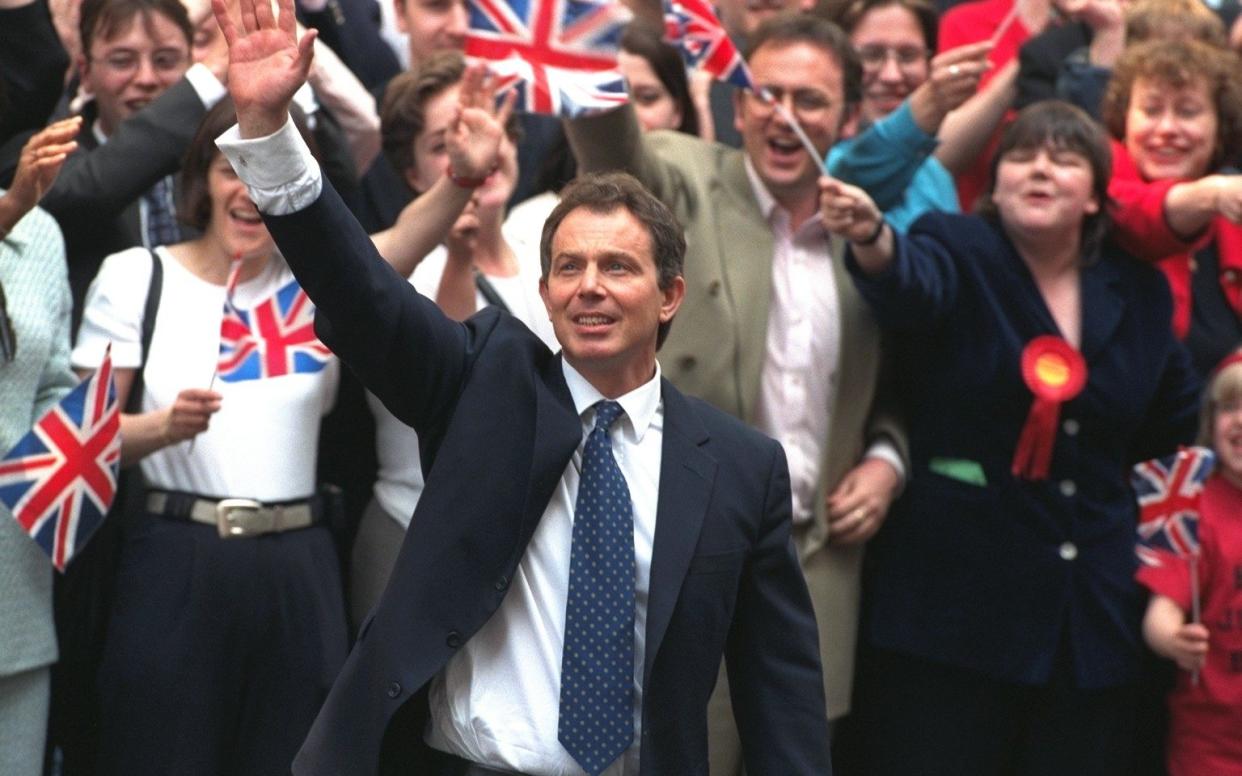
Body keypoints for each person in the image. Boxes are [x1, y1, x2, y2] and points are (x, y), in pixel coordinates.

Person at [211, 0, 833, 772]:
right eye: (569, 268)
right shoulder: (483, 382)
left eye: (618, 267)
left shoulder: (742, 468)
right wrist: (270, 136)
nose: (590, 288)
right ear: (543, 292)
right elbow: (359, 291)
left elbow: (782, 699)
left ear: (671, 295)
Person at [819, 99, 1201, 774]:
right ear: (993, 185)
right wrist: (874, 238)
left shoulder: (1136, 290)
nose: (1040, 168)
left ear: (1096, 197)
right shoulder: (957, 245)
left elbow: (1169, 417)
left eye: (1064, 158)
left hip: (1086, 621)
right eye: (1021, 155)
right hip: (954, 615)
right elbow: (908, 284)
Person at [566, 13, 904, 768]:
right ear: (738, 105)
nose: (785, 115)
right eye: (766, 92)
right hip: (689, 565)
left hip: (817, 569)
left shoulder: (869, 225)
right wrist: (579, 36)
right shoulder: (683, 176)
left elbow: (905, 380)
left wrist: (888, 459)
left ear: (849, 114)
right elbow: (610, 152)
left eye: (810, 100)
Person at [71, 99, 346, 776]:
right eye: (231, 168)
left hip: (298, 569)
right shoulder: (138, 277)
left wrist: (457, 184)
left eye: (267, 170)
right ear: (202, 179)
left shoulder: (326, 285)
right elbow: (77, 447)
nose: (249, 190)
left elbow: (400, 246)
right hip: (175, 561)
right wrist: (164, 428)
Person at [348, 53, 558, 629]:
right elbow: (458, 381)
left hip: (536, 547)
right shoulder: (399, 261)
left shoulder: (551, 246)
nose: (481, 152)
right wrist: (458, 250)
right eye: (446, 143)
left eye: (495, 132)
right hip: (411, 538)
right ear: (414, 174)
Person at [0, 118, 79, 776]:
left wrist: (74, 452)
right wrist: (8, 209)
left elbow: (54, 382)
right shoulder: (18, 211)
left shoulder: (40, 233)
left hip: (15, 584)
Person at [1100, 39, 1242, 379]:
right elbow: (1132, 213)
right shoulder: (1100, 173)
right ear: (1124, 120)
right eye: (1151, 110)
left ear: (1219, 126)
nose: (1166, 129)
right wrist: (1211, 194)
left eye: (1188, 112)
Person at [1139, 350, 1242, 776]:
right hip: (1209, 740)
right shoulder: (1188, 505)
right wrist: (1171, 638)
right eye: (1231, 406)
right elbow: (1162, 608)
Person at [828, 0, 990, 230]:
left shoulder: (936, 175)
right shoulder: (812, 155)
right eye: (872, 55)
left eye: (908, 55)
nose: (892, 76)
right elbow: (854, 179)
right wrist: (927, 107)